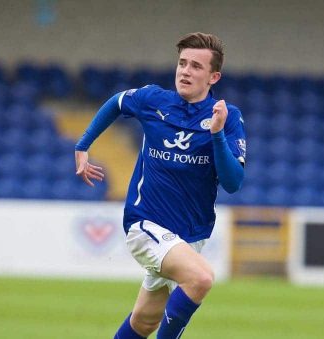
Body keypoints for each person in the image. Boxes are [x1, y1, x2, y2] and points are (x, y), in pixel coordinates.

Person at [75, 32, 246, 338]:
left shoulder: (227, 117)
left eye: (196, 66)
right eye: (182, 63)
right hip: (145, 224)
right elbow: (117, 102)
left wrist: (217, 134)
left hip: (189, 235)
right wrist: (84, 144)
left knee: (144, 322)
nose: (185, 71)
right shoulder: (154, 100)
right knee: (201, 278)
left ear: (213, 76)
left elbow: (233, 182)